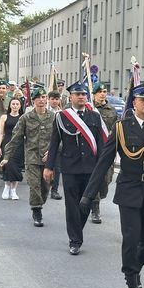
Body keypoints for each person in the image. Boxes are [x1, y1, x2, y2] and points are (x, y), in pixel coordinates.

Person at [80, 84, 144, 288]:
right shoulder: (122, 128)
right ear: (134, 103)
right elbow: (104, 162)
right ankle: (132, 283)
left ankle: (136, 269)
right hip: (129, 191)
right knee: (131, 239)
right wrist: (88, 195)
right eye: (143, 100)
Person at [44, 82, 104, 254]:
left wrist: (102, 168)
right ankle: (75, 240)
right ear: (71, 97)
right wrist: (49, 167)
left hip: (90, 168)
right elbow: (54, 143)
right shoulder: (62, 117)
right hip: (70, 167)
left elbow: (100, 144)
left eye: (84, 94)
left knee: (85, 203)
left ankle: (77, 232)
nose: (81, 97)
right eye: (78, 94)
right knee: (72, 205)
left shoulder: (94, 117)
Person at [1, 88, 55, 227]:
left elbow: (60, 139)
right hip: (31, 158)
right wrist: (6, 157)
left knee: (45, 188)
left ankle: (39, 203)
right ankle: (37, 211)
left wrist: (52, 152)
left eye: (44, 97)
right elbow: (15, 138)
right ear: (34, 100)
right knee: (34, 186)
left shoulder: (54, 117)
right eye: (38, 97)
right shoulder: (25, 118)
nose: (42, 100)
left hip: (48, 159)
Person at [89, 82, 118, 224]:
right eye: (99, 91)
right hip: (92, 150)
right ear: (94, 94)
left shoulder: (111, 110)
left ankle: (96, 197)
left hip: (107, 150)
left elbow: (116, 128)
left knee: (106, 180)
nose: (102, 94)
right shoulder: (89, 108)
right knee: (95, 178)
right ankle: (95, 208)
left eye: (104, 91)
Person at [0, 97, 24, 200]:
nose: (15, 106)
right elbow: (1, 133)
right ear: (10, 105)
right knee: (8, 165)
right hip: (7, 143)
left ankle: (14, 190)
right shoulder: (4, 117)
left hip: (19, 145)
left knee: (16, 167)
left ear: (20, 106)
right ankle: (7, 187)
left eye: (17, 104)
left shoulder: (23, 117)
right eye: (13, 104)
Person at [47, 91, 63, 200]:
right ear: (48, 99)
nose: (54, 101)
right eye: (52, 99)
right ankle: (43, 188)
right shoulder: (44, 111)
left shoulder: (62, 113)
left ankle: (54, 190)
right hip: (44, 144)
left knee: (57, 168)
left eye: (57, 99)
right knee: (44, 168)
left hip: (58, 145)